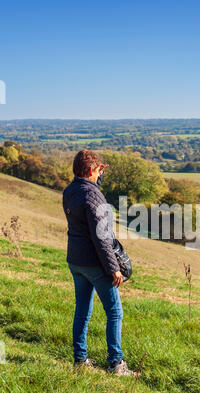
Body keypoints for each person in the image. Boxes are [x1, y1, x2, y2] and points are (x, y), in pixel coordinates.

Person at [62, 149, 134, 376]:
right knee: (114, 311)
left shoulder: (70, 190)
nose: (100, 174)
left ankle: (80, 360)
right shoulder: (93, 196)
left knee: (82, 310)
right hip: (95, 264)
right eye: (99, 170)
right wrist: (114, 269)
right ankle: (116, 363)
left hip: (76, 261)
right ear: (92, 170)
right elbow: (102, 237)